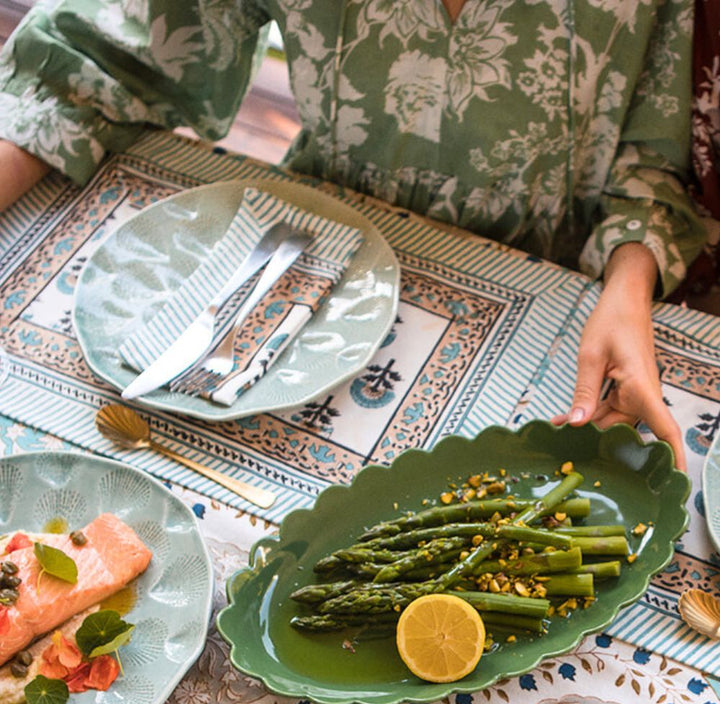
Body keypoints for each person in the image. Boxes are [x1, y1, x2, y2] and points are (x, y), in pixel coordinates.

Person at [0, 0, 707, 469]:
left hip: (545, 321)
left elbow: (655, 160)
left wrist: (629, 285)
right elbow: (95, 60)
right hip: (304, 281)